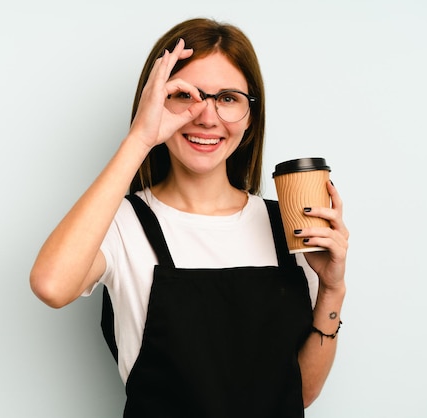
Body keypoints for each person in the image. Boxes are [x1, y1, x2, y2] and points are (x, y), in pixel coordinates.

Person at [30, 17, 349, 417]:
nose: (207, 117)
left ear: (250, 118)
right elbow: (51, 285)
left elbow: (299, 393)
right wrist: (140, 137)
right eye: (187, 95)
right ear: (155, 102)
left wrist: (332, 289)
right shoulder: (123, 223)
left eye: (228, 98)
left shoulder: (285, 224)